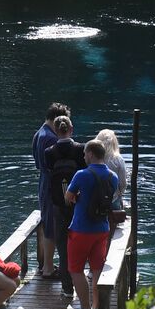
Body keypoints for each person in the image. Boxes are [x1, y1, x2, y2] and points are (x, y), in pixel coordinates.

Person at [62, 140, 119, 309]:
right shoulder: (113, 177)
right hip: (102, 229)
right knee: (96, 269)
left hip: (81, 229)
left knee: (76, 270)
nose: (84, 156)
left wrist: (76, 197)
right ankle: (96, 307)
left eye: (85, 153)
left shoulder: (81, 174)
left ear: (92, 154)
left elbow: (68, 198)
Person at [44, 116, 86, 298]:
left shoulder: (48, 152)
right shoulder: (81, 149)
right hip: (79, 204)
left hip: (58, 204)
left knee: (62, 247)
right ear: (71, 128)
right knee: (80, 245)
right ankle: (82, 283)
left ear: (55, 130)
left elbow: (48, 174)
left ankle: (67, 289)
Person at [31, 102, 70, 276]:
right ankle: (48, 268)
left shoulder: (39, 133)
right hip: (52, 186)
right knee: (52, 226)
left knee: (49, 223)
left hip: (44, 183)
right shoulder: (51, 138)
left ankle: (48, 265)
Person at [94, 128, 129, 211]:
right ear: (114, 142)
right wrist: (119, 194)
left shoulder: (93, 158)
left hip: (95, 200)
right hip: (113, 200)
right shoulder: (118, 159)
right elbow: (123, 184)